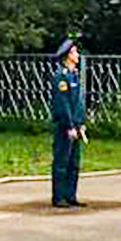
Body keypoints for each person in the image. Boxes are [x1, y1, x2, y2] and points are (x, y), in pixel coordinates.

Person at [50, 39, 86, 208]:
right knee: (62, 161)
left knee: (74, 163)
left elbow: (77, 103)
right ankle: (58, 197)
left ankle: (70, 195)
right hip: (65, 127)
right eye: (75, 52)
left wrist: (81, 123)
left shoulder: (73, 75)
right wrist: (69, 125)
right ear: (68, 56)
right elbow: (62, 104)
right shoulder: (61, 77)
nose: (78, 55)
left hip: (75, 125)